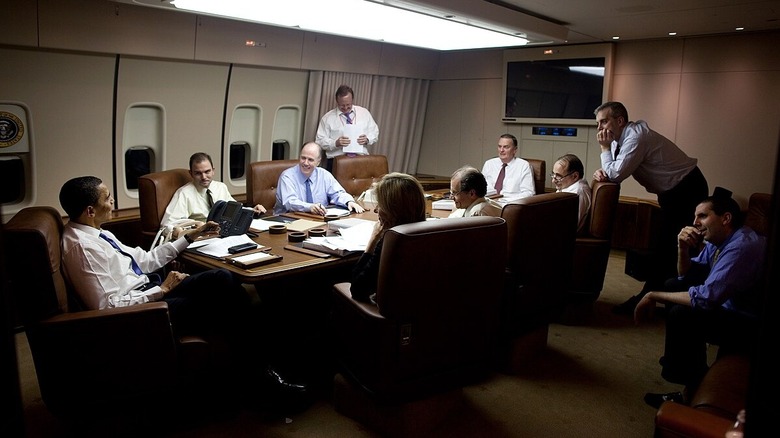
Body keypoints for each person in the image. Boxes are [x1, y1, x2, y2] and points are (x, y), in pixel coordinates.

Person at [59, 176, 307, 400]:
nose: (112, 202)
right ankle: (263, 375)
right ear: (90, 210)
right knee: (225, 304)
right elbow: (106, 307)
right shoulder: (82, 248)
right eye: (108, 198)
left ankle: (258, 363)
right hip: (142, 314)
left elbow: (144, 260)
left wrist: (191, 236)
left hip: (148, 291)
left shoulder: (98, 233)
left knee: (223, 278)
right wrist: (163, 290)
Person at [634, 193, 765, 408]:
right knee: (672, 285)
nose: (695, 223)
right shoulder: (719, 239)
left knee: (682, 315)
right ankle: (686, 366)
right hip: (731, 303)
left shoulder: (742, 247)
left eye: (702, 216)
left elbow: (705, 298)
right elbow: (686, 275)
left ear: (726, 218)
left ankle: (691, 384)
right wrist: (682, 248)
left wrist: (651, 295)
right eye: (695, 217)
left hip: (751, 322)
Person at [593, 102, 709, 315]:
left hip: (687, 188)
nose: (600, 128)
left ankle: (656, 298)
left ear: (620, 121)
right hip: (671, 192)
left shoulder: (635, 137)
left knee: (671, 246)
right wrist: (604, 170)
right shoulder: (621, 140)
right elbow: (613, 170)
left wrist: (604, 149)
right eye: (598, 123)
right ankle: (666, 296)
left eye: (604, 121)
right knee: (668, 245)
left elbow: (617, 174)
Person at [350, 172, 427, 303]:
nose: (376, 210)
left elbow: (357, 289)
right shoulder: (427, 234)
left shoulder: (393, 241)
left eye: (380, 205)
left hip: (389, 311)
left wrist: (373, 240)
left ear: (393, 209)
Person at [160, 152, 266, 233]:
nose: (204, 177)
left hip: (222, 232)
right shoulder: (184, 193)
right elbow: (167, 225)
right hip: (200, 236)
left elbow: (235, 209)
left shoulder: (220, 187)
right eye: (198, 173)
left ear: (213, 170)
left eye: (207, 172)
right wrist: (195, 226)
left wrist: (252, 210)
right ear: (191, 173)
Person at [274, 142, 366, 216]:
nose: (305, 163)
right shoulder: (287, 176)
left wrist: (349, 201)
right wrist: (310, 207)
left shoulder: (324, 174)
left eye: (310, 160)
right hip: (288, 220)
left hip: (316, 220)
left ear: (318, 162)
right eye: (303, 158)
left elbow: (338, 193)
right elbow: (290, 202)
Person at [315, 84, 379, 171]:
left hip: (361, 159)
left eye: (348, 104)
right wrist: (335, 143)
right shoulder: (327, 118)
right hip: (336, 161)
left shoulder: (364, 113)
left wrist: (367, 139)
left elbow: (374, 132)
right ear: (337, 101)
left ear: (352, 100)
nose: (345, 108)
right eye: (342, 105)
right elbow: (319, 141)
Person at [481, 134, 535, 201]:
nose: (501, 150)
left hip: (509, 205)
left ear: (515, 150)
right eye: (499, 146)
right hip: (487, 202)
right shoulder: (489, 164)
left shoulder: (523, 166)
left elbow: (529, 193)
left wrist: (504, 200)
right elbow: (480, 187)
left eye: (506, 147)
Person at [552, 153, 592, 233]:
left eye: (559, 176)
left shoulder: (577, 192)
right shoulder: (567, 187)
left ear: (575, 176)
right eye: (553, 175)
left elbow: (568, 225)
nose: (553, 181)